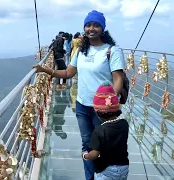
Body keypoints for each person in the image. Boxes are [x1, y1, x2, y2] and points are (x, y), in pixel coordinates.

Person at [33, 10, 125, 180]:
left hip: (102, 109)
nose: (92, 28)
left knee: (103, 146)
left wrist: (111, 99)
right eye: (88, 25)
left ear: (102, 29)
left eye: (96, 25)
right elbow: (68, 73)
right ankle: (90, 178)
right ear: (84, 28)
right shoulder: (80, 51)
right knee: (87, 145)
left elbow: (118, 78)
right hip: (82, 105)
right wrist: (46, 70)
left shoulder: (112, 51)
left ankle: (102, 176)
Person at [82, 81, 129, 179]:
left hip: (105, 170)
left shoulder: (99, 131)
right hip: (124, 167)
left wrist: (86, 156)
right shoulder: (124, 124)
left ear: (96, 111)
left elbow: (95, 154)